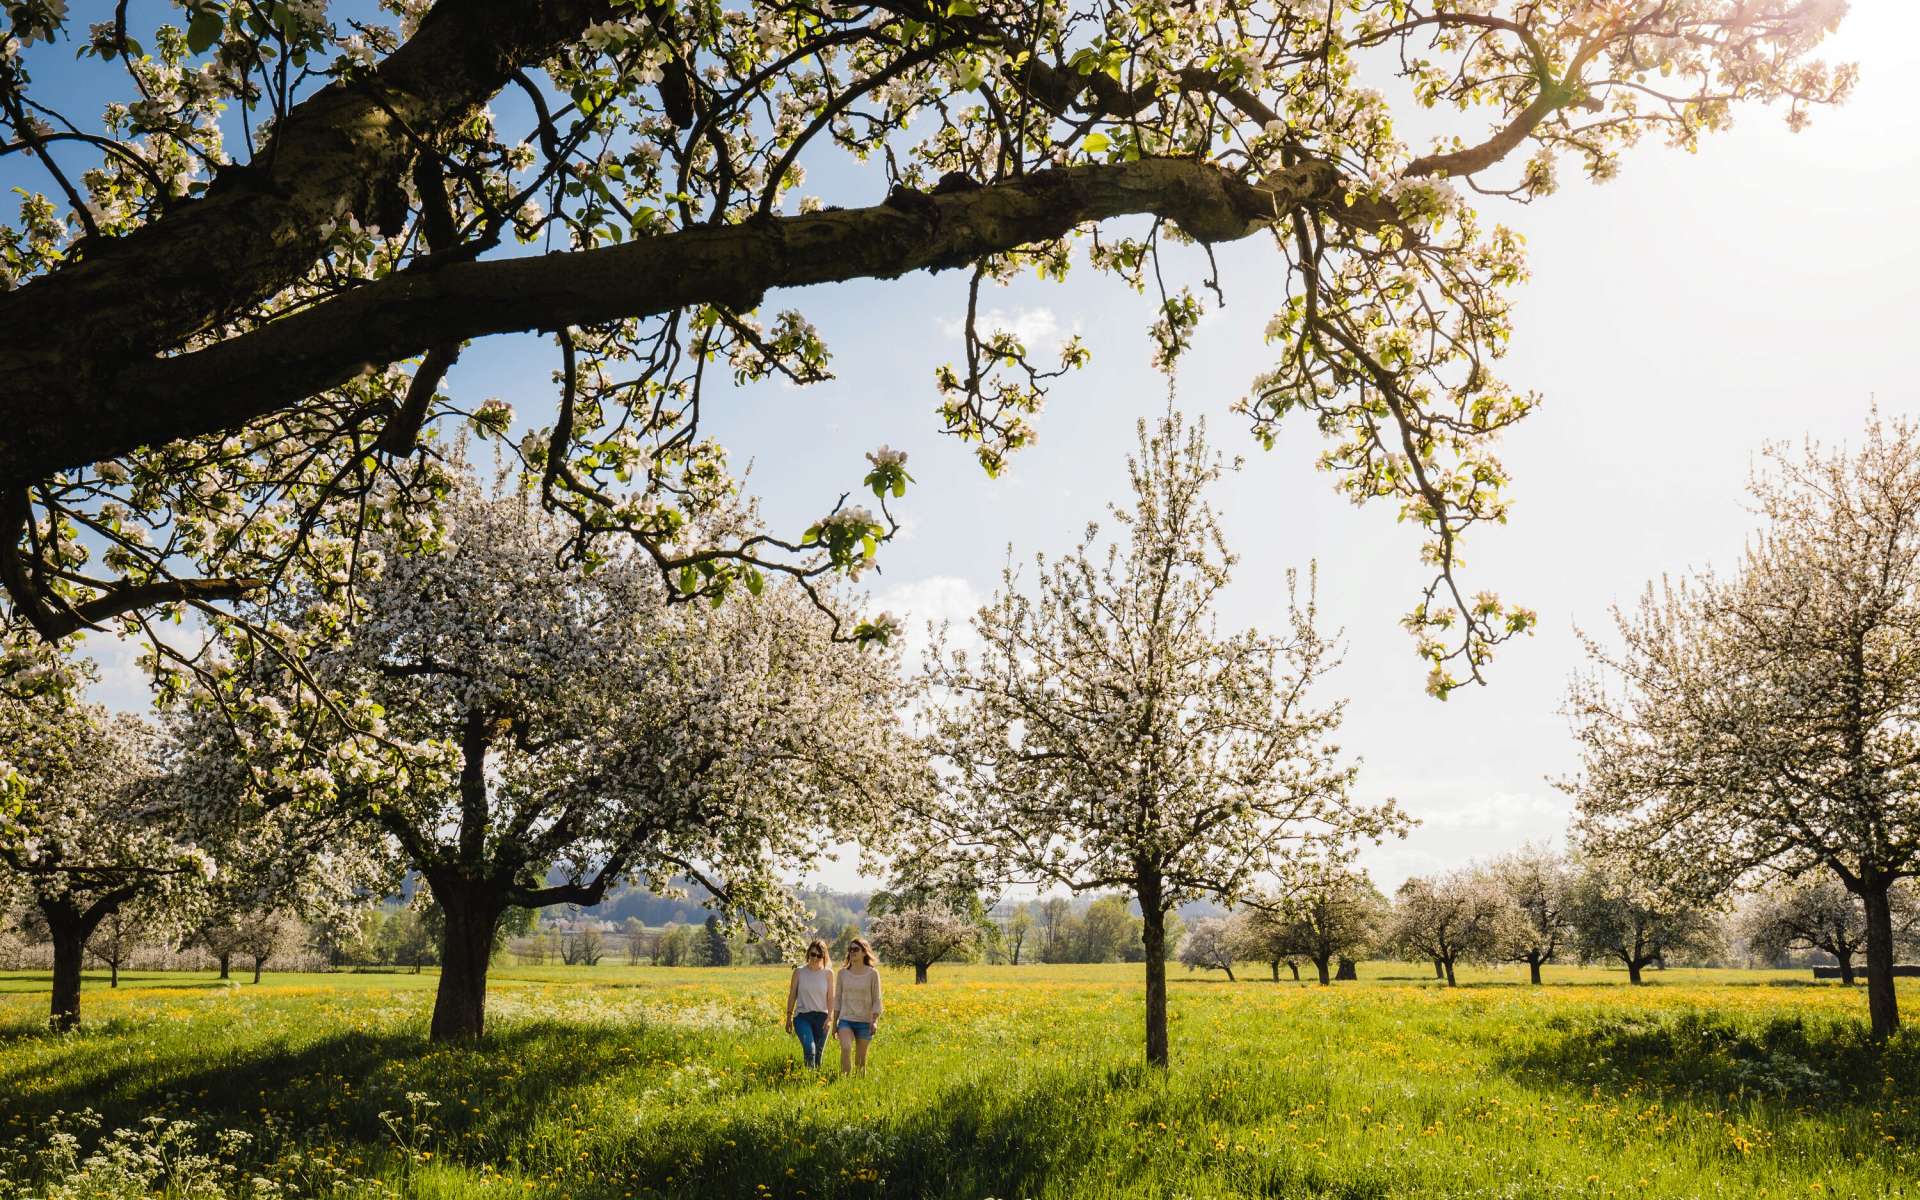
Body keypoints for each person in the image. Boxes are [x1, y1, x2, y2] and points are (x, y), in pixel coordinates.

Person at [833, 936, 883, 1076]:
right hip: (846, 1019)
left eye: (856, 949)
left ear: (864, 952)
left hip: (865, 1022)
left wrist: (874, 1021)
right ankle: (844, 1079)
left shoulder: (873, 974)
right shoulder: (842, 973)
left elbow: (877, 999)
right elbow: (837, 999)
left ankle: (859, 1085)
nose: (852, 952)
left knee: (860, 1062)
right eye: (850, 949)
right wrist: (834, 1023)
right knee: (846, 1047)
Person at [784, 938, 835, 1069]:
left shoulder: (828, 974)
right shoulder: (799, 972)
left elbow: (831, 998)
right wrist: (788, 1017)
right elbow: (792, 995)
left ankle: (814, 1082)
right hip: (802, 1017)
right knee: (810, 1048)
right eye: (813, 954)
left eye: (819, 955)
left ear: (824, 956)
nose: (815, 958)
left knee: (818, 1055)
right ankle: (807, 1077)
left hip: (822, 1018)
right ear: (808, 954)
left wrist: (830, 1017)